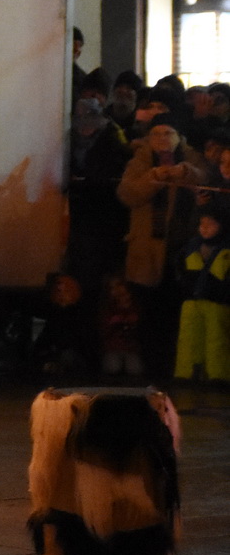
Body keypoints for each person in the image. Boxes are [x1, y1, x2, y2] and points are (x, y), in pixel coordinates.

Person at [117, 118, 207, 376]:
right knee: (148, 309)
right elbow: (127, 194)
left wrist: (185, 173)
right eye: (156, 134)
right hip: (148, 248)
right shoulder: (141, 161)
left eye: (169, 133)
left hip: (183, 245)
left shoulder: (192, 158)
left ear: (180, 137)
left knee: (176, 308)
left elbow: (206, 181)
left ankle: (176, 364)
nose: (163, 139)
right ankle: (152, 365)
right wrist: (153, 177)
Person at [65, 96, 130, 294]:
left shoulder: (111, 137)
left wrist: (87, 181)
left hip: (104, 208)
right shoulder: (69, 138)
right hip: (80, 207)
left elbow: (115, 170)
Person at [175, 199, 230, 385]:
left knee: (217, 340)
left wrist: (223, 292)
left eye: (211, 224)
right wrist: (185, 284)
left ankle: (217, 376)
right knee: (188, 339)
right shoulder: (191, 246)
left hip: (217, 302)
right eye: (202, 224)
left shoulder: (226, 249)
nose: (205, 228)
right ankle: (187, 373)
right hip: (191, 300)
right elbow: (180, 267)